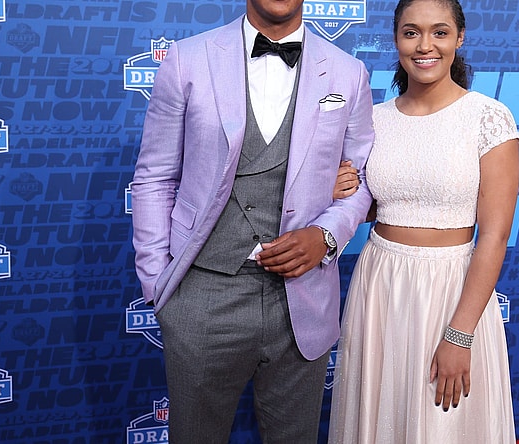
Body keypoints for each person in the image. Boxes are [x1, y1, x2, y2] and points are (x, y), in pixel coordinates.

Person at [129, 0, 375, 440]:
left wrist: (326, 235)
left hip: (303, 298)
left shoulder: (348, 72)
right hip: (202, 294)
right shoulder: (188, 59)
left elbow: (361, 179)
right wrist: (158, 283)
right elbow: (154, 176)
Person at [328, 0, 519, 441]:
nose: (425, 45)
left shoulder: (488, 118)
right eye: (411, 32)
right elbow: (374, 205)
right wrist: (340, 188)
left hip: (452, 288)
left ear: (459, 38)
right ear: (396, 39)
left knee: (443, 424)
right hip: (380, 284)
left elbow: (494, 236)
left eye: (440, 32)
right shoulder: (373, 120)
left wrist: (461, 334)